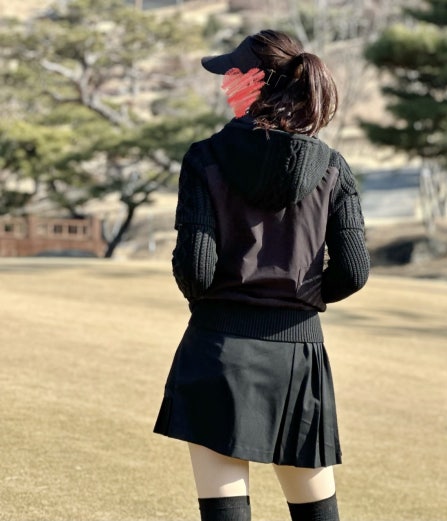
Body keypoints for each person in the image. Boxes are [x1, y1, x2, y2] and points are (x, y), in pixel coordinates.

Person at [154, 29, 370, 521]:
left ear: (256, 82)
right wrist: (301, 296)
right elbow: (354, 272)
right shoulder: (334, 167)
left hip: (218, 346)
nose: (224, 84)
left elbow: (196, 269)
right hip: (299, 355)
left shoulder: (205, 157)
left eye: (231, 74)